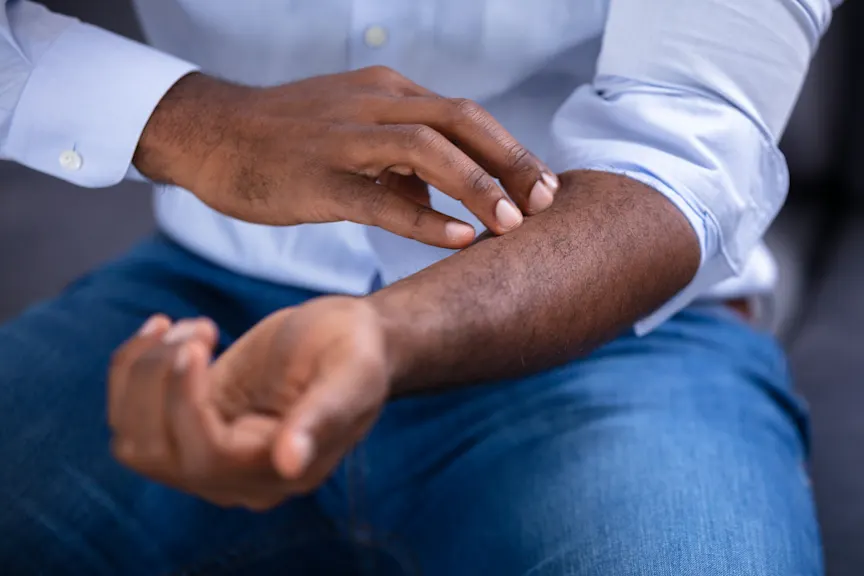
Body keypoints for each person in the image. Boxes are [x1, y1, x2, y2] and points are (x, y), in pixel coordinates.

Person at [0, 0, 842, 574]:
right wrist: (190, 124)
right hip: (206, 285)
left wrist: (385, 335)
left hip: (622, 329)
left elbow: (683, 150)